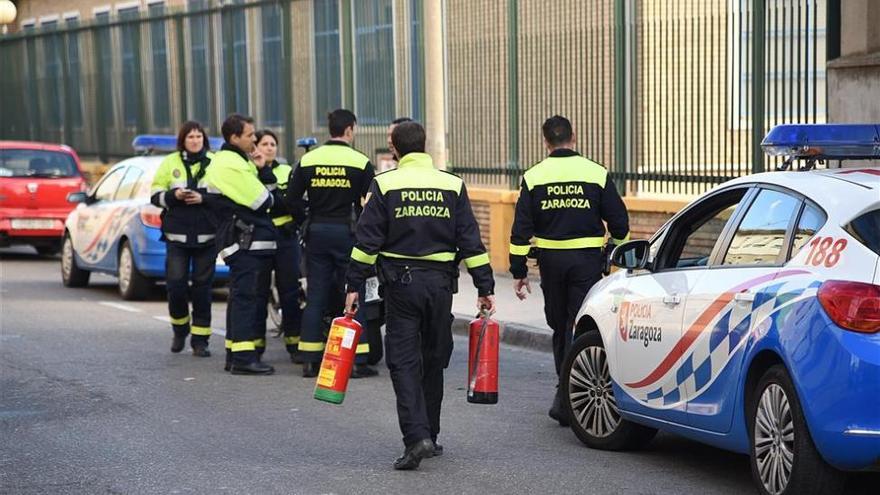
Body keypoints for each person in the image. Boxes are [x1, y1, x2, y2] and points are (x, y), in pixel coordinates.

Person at [344, 121, 495, 470]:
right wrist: (485, 287)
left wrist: (354, 286)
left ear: (395, 148)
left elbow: (367, 243)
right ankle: (432, 434)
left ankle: (416, 437)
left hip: (400, 287)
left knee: (404, 362)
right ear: (423, 145)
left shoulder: (385, 184)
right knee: (433, 358)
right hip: (441, 286)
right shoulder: (452, 184)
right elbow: (471, 241)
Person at [508, 115, 629, 425]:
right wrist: (614, 254)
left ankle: (565, 395)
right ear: (573, 137)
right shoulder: (596, 173)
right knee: (577, 325)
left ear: (545, 141)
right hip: (587, 262)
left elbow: (521, 229)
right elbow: (620, 223)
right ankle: (569, 394)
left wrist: (518, 270)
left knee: (559, 325)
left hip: (551, 264)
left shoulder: (534, 176)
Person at [286, 109, 377, 378]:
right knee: (353, 292)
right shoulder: (360, 162)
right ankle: (357, 361)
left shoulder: (309, 160)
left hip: (317, 233)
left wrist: (307, 219)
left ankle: (310, 358)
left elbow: (292, 200)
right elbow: (371, 205)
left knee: (316, 295)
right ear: (349, 130)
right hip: (347, 233)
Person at [203, 113, 277, 375]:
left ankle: (235, 354)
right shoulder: (231, 164)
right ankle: (244, 359)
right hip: (244, 240)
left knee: (239, 297)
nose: (254, 139)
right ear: (234, 137)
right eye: (249, 135)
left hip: (238, 239)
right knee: (246, 297)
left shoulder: (232, 161)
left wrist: (257, 169)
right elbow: (262, 201)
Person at [150, 121, 217, 357]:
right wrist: (174, 195)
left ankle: (200, 340)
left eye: (199, 136)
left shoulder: (215, 163)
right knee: (176, 285)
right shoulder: (170, 163)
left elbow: (225, 196)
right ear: (183, 141)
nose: (195, 140)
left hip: (207, 236)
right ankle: (179, 329)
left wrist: (203, 198)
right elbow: (155, 195)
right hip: (177, 235)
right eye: (191, 137)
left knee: (202, 289)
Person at [253, 129, 303, 363]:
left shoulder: (287, 171)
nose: (270, 148)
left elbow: (289, 204)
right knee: (258, 292)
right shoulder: (249, 171)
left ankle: (294, 343)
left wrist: (279, 203)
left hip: (286, 237)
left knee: (290, 292)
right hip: (259, 236)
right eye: (265, 144)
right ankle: (255, 345)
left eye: (273, 144)